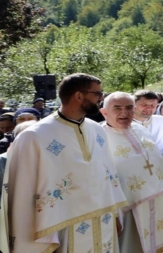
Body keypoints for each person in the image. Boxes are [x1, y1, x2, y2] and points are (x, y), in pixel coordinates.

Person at [3, 73, 127, 253]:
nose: (101, 98)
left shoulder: (97, 130)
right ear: (79, 96)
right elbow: (23, 192)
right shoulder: (34, 136)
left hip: (103, 219)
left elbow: (108, 174)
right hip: (62, 226)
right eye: (98, 94)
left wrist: (116, 214)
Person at [100, 92, 163, 253]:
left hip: (157, 201)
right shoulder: (99, 137)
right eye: (117, 108)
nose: (124, 113)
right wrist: (112, 214)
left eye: (129, 108)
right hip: (126, 209)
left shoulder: (141, 130)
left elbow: (157, 163)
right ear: (104, 112)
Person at [132, 90, 163, 158]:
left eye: (153, 105)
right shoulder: (122, 125)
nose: (149, 108)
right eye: (144, 104)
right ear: (133, 105)